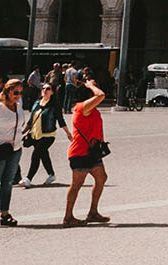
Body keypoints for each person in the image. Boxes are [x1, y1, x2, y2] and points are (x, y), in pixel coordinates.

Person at [62, 69, 109, 226]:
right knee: (77, 185)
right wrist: (91, 85)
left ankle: (93, 212)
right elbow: (101, 95)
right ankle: (68, 217)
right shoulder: (82, 108)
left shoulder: (91, 108)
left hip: (92, 152)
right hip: (80, 152)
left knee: (101, 178)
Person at [23, 81, 63, 186]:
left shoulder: (54, 105)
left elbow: (61, 120)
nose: (45, 90)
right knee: (44, 155)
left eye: (48, 89)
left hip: (48, 135)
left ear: (52, 92)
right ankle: (51, 174)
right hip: (35, 134)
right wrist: (22, 132)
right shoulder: (37, 103)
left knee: (36, 154)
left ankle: (28, 179)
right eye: (43, 88)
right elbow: (31, 120)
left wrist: (68, 133)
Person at [1, 78, 22, 227]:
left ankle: (4, 213)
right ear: (7, 91)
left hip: (15, 149)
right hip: (0, 149)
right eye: (15, 92)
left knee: (8, 182)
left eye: (20, 93)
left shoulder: (19, 106)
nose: (18, 95)